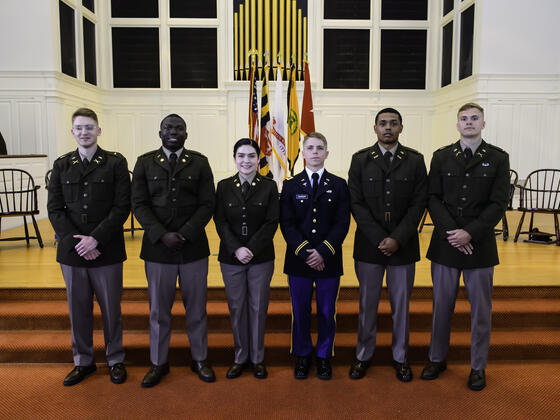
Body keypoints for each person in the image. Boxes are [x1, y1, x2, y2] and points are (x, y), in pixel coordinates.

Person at [421, 103, 509, 391]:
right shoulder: (442, 156)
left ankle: (478, 366)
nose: (469, 122)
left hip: (480, 244)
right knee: (441, 307)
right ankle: (437, 358)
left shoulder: (498, 158)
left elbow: (498, 203)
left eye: (474, 118)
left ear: (483, 124)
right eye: (464, 118)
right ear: (457, 124)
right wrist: (453, 233)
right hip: (446, 244)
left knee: (481, 311)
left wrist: (469, 233)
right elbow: (433, 198)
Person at [131, 114, 216, 387]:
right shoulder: (144, 163)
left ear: (186, 135)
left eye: (179, 128)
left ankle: (200, 359)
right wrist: (161, 234)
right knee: (158, 311)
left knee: (197, 310)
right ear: (160, 133)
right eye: (168, 127)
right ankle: (158, 362)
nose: (173, 132)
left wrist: (187, 233)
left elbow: (207, 204)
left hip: (193, 249)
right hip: (158, 250)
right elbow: (139, 204)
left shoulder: (200, 163)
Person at [47, 107, 130, 386]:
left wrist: (96, 239)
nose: (84, 132)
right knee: (78, 309)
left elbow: (122, 206)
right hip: (72, 253)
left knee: (111, 310)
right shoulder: (61, 165)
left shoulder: (115, 163)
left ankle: (115, 359)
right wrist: (78, 243)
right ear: (72, 132)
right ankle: (83, 361)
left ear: (99, 130)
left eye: (89, 127)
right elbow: (55, 210)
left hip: (106, 249)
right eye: (79, 128)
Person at [348, 107, 428, 382]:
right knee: (367, 304)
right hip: (369, 246)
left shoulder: (416, 161)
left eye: (393, 124)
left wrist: (397, 238)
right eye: (383, 124)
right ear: (375, 128)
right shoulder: (360, 160)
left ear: (401, 128)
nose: (388, 128)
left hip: (403, 246)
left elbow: (420, 202)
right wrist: (378, 237)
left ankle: (401, 358)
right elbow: (355, 203)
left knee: (401, 306)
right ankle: (362, 356)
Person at [280, 132, 350, 380]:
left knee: (326, 311)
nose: (315, 152)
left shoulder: (339, 184)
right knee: (300, 311)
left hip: (328, 261)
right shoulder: (290, 185)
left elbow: (342, 223)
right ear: (303, 152)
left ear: (327, 153)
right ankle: (302, 355)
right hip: (298, 261)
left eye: (320, 147)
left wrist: (322, 252)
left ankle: (322, 356)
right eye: (310, 147)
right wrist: (305, 252)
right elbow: (287, 224)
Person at [214, 138, 279, 379]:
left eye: (251, 156)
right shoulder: (222, 186)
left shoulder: (269, 186)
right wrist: (236, 249)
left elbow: (272, 221)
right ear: (234, 158)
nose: (246, 161)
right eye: (241, 156)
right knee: (237, 308)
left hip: (260, 257)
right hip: (231, 258)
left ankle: (258, 358)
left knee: (258, 307)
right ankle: (240, 357)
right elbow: (220, 221)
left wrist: (250, 247)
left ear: (258, 159)